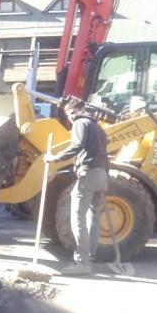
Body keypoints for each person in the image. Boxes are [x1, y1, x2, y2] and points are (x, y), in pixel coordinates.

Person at [49, 98, 109, 275]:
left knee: (77, 217)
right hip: (101, 174)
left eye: (69, 114)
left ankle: (82, 262)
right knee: (93, 216)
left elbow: (77, 145)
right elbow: (104, 153)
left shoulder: (80, 123)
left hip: (88, 174)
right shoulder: (98, 127)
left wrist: (55, 157)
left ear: (75, 111)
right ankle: (89, 255)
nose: (69, 117)